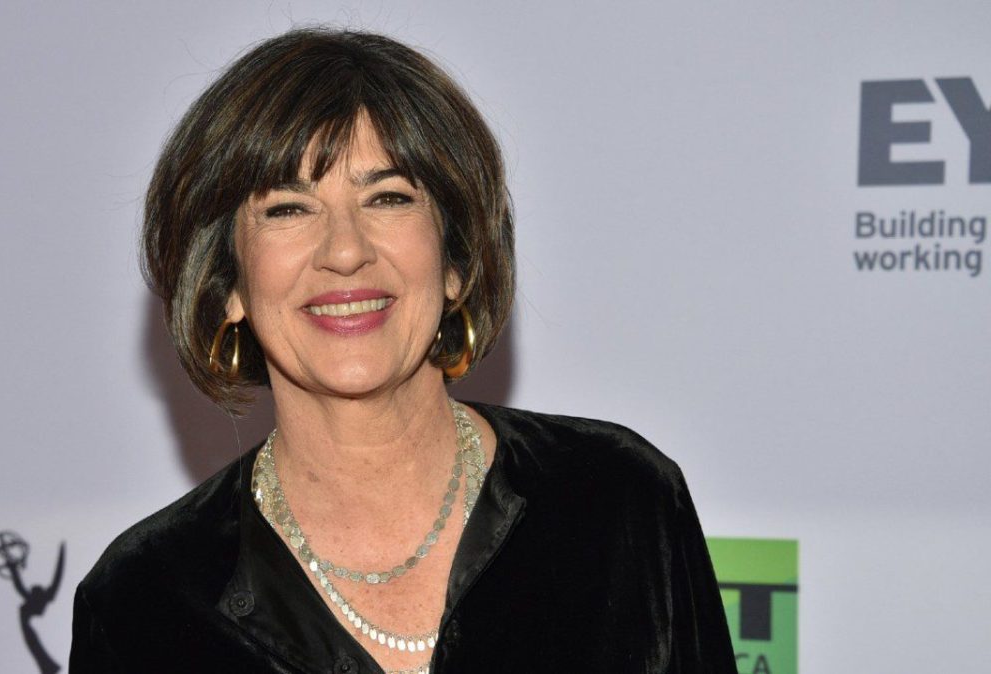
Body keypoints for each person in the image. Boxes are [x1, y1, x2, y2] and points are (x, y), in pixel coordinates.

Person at [70, 28, 735, 673]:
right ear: (228, 284)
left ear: (455, 263)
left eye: (387, 198)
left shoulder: (617, 503)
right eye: (288, 209)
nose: (345, 251)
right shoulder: (145, 602)